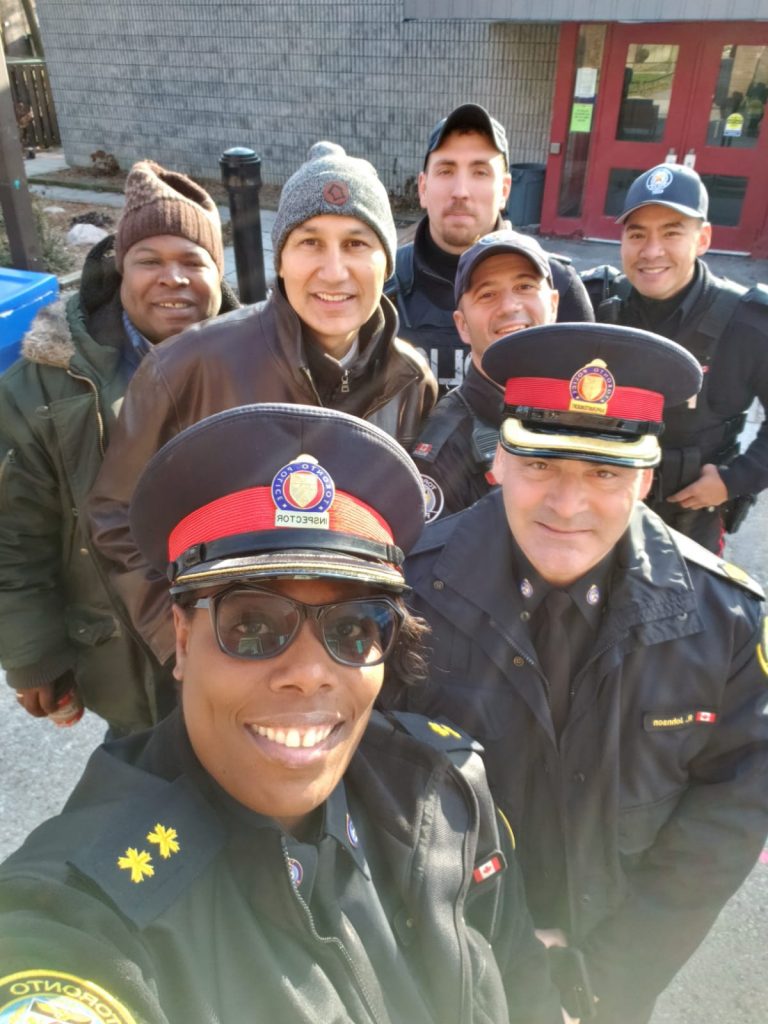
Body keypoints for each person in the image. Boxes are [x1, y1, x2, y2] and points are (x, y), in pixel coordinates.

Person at [0, 403, 565, 1024]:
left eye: (354, 628)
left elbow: (519, 987)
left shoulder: (444, 789)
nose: (310, 672)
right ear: (183, 641)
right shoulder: (87, 908)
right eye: (252, 624)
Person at [381, 323, 768, 1024]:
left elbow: (729, 809)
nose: (568, 505)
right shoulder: (406, 595)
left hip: (610, 976)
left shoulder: (728, 623)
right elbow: (373, 789)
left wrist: (608, 977)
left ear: (646, 477)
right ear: (497, 460)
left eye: (604, 472)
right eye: (541, 466)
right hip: (444, 956)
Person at [87, 141, 436, 671]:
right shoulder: (187, 366)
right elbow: (115, 516)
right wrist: (175, 640)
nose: (335, 270)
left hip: (344, 656)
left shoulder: (411, 379)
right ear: (282, 260)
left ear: (387, 260)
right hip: (227, 653)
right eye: (310, 242)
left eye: (357, 243)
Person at [0, 160, 237, 734]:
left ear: (218, 274)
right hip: (119, 651)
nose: (172, 278)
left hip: (237, 641)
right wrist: (35, 656)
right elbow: (15, 533)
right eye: (149, 260)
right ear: (119, 270)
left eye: (192, 261)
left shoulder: (252, 360)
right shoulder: (47, 387)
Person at [582, 162, 768, 553]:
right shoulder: (595, 303)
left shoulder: (747, 322)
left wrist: (735, 480)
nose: (651, 251)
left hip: (688, 515)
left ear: (702, 239)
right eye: (637, 234)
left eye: (671, 233)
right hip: (596, 504)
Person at [386, 103, 593, 395]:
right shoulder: (383, 288)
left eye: (480, 172)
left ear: (505, 190)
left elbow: (586, 407)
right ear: (422, 187)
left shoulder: (558, 285)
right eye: (446, 171)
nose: (461, 191)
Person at [413, 229, 559, 520]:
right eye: (488, 294)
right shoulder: (445, 450)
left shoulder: (587, 413)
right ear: (462, 325)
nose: (509, 306)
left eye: (525, 287)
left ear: (553, 304)